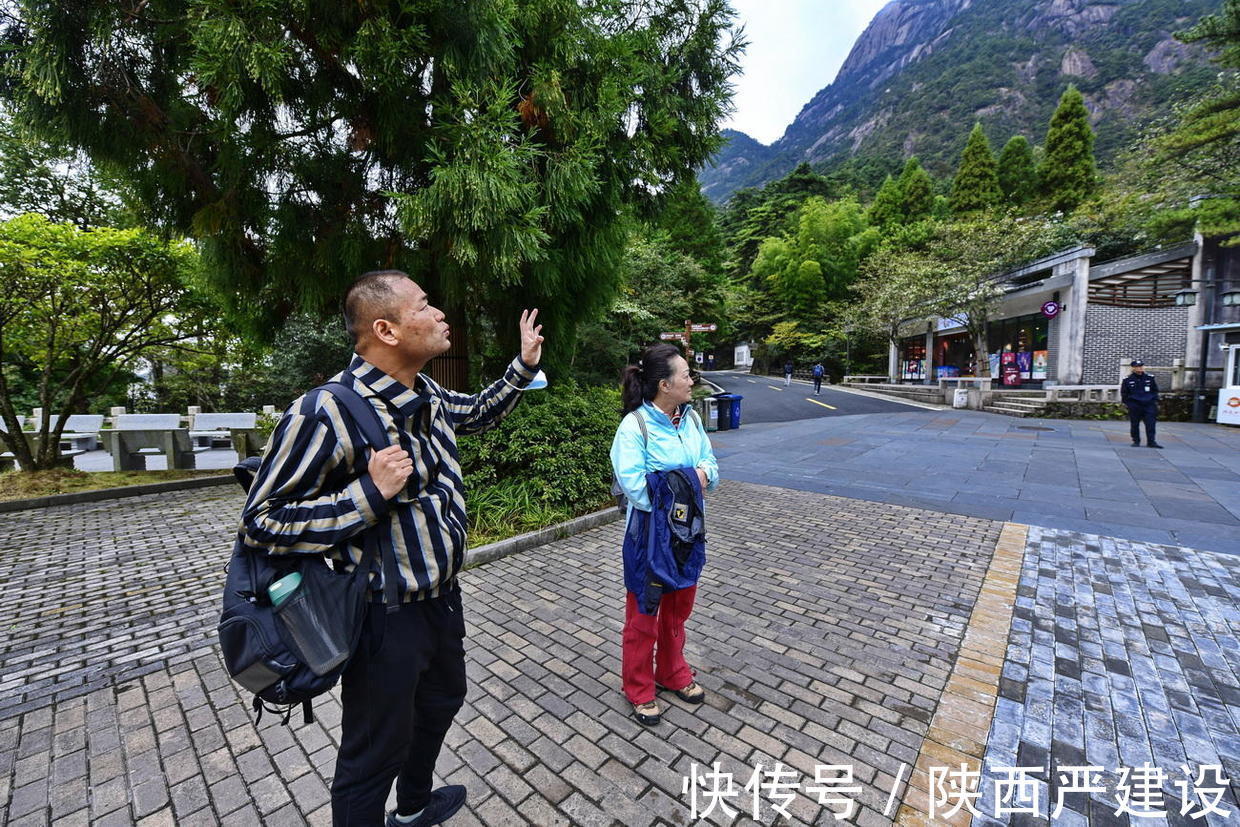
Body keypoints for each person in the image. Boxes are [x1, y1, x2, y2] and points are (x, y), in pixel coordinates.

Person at [241, 270, 544, 826]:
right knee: (372, 754)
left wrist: (522, 367)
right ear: (386, 329)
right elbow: (261, 521)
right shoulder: (325, 411)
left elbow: (476, 412)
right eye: (425, 306)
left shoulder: (423, 393)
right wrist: (366, 495)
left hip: (440, 600)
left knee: (438, 706)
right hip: (382, 616)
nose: (439, 315)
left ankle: (413, 808)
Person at [610, 343, 719, 726]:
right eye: (685, 375)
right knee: (645, 613)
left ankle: (672, 673)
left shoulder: (690, 420)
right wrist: (689, 481)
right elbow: (635, 487)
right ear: (663, 384)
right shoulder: (634, 426)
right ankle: (638, 687)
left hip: (687, 533)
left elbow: (711, 465)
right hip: (649, 537)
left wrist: (689, 478)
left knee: (678, 610)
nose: (692, 380)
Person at [1121, 359, 1162, 449]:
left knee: (1151, 424)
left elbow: (1155, 390)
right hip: (1135, 405)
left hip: (1148, 405)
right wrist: (1129, 404)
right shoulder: (1128, 380)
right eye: (1137, 367)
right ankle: (1136, 441)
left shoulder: (1149, 378)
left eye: (1141, 366)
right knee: (1135, 424)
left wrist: (1154, 401)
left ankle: (1151, 442)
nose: (1140, 368)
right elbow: (1124, 393)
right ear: (1133, 368)